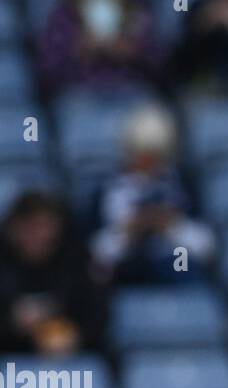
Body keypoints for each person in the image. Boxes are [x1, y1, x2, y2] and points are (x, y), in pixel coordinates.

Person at [91, 103, 215, 285]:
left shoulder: (181, 186)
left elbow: (206, 247)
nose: (149, 164)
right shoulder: (107, 190)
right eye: (142, 156)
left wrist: (171, 226)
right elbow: (96, 253)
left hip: (174, 262)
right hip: (124, 268)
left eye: (156, 156)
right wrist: (129, 232)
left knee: (186, 267)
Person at [0, 190, 106, 364]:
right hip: (1, 353)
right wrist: (10, 322)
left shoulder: (76, 259)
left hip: (71, 353)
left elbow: (97, 313)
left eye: (45, 226)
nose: (39, 235)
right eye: (30, 227)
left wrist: (74, 334)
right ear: (12, 228)